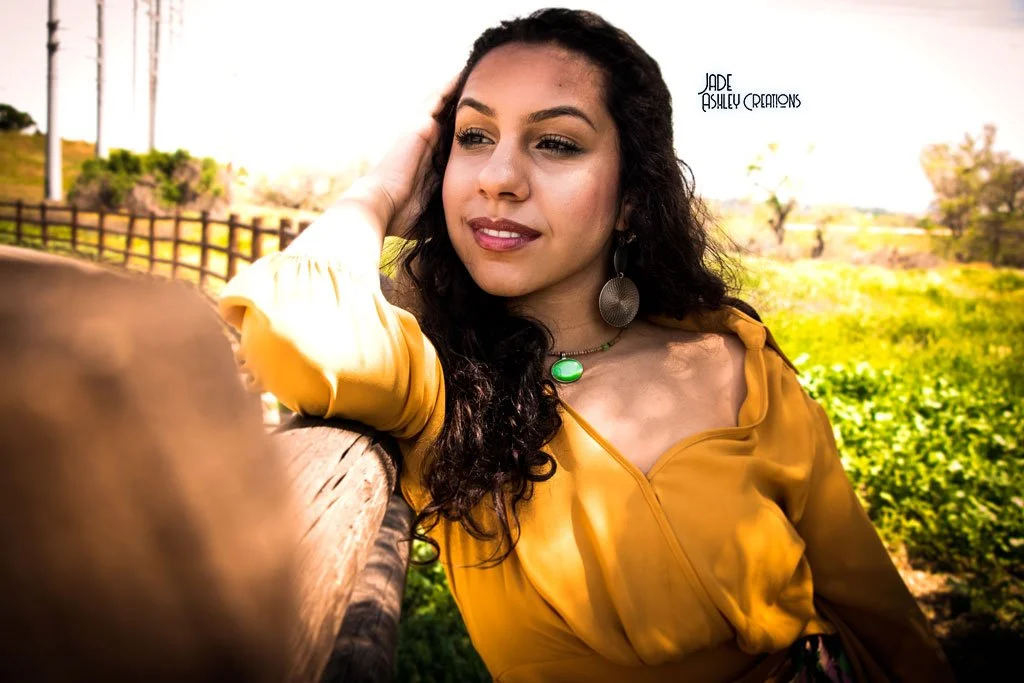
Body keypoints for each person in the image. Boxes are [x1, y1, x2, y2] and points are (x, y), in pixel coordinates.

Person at [219, 8, 955, 682]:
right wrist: (380, 188)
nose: (500, 178)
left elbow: (877, 610)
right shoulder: (441, 383)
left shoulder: (736, 359)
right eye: (473, 137)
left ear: (633, 194)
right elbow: (289, 326)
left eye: (557, 143)